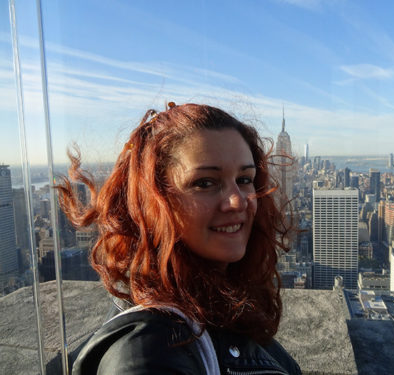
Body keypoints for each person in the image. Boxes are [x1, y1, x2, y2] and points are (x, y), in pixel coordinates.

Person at [57, 102, 301, 374]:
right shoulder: (148, 353)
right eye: (205, 183)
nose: (237, 201)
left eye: (244, 179)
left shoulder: (218, 303)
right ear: (154, 201)